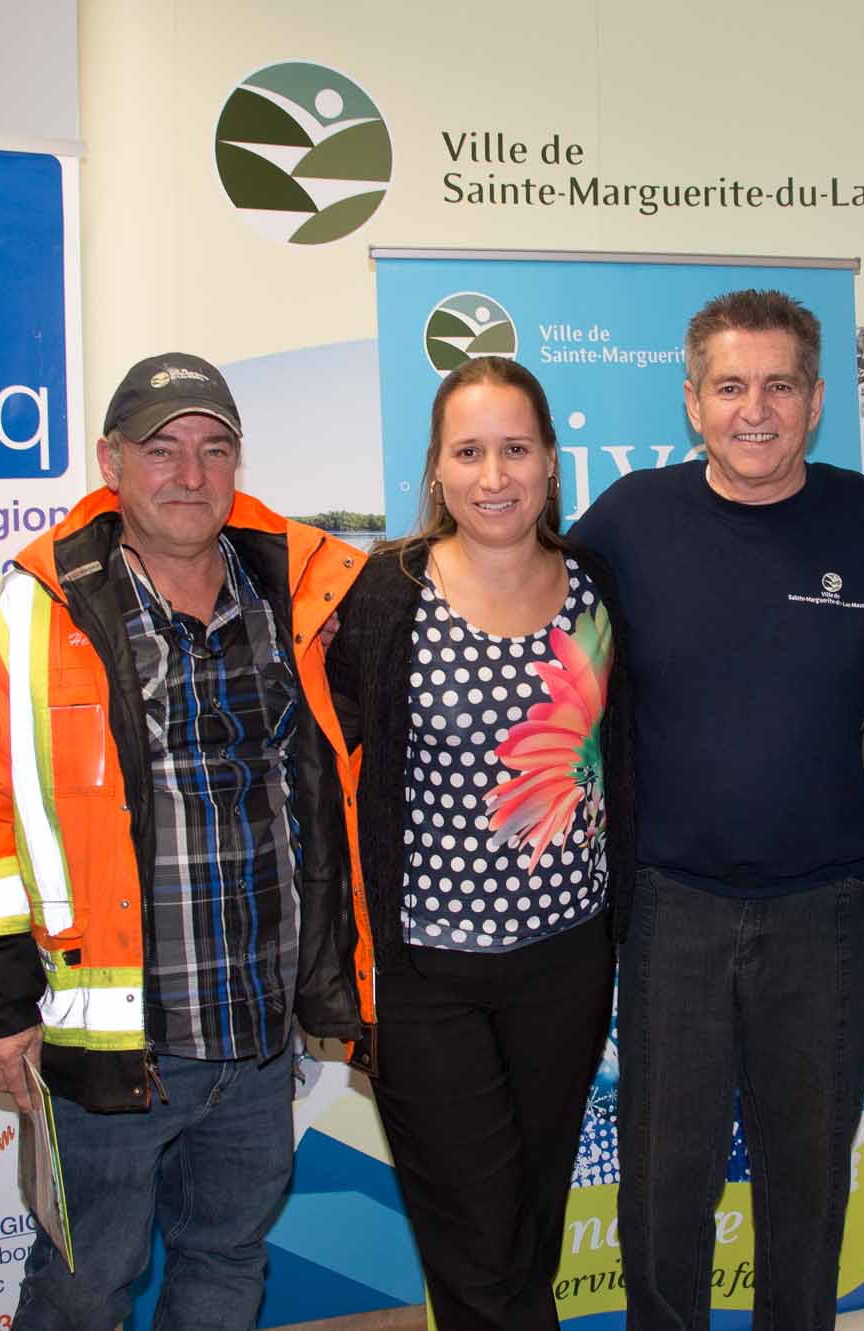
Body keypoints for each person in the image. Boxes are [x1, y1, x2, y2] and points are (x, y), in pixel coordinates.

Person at [0, 352, 369, 1330]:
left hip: (256, 1032)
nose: (189, 473)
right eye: (161, 447)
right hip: (108, 1041)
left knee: (225, 1263)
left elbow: (328, 794)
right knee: (81, 1281)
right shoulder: (33, 607)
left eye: (213, 448)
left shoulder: (296, 596)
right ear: (110, 460)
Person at [569, 288, 864, 1330]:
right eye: (728, 385)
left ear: (815, 401)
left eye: (777, 385)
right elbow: (521, 598)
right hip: (671, 904)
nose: (751, 408)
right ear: (692, 400)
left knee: (807, 1184)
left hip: (830, 907)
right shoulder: (631, 517)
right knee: (662, 1180)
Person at [325, 355, 633, 1329]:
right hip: (426, 978)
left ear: (550, 462)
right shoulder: (383, 596)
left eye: (514, 448)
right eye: (468, 451)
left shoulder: (601, 589)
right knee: (475, 1241)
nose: (492, 474)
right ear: (436, 468)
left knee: (528, 1229)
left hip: (565, 965)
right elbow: (327, 778)